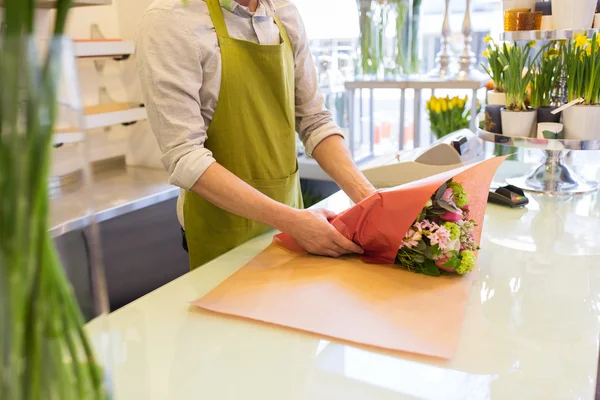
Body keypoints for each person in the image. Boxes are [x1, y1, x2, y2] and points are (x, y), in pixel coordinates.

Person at [136, 0, 376, 269]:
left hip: (295, 225)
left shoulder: (284, 13)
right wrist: (294, 222)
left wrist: (370, 201)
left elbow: (314, 120)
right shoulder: (170, 20)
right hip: (224, 232)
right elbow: (186, 156)